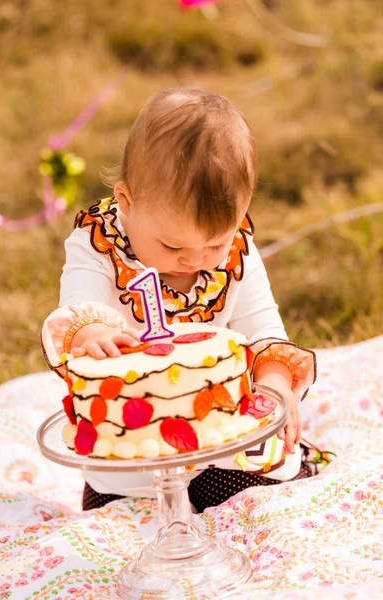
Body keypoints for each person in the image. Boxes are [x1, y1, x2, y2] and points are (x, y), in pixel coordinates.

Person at [42, 87, 320, 513]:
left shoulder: (236, 252)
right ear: (126, 202)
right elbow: (78, 307)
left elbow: (263, 329)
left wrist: (275, 383)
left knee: (270, 497)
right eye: (172, 247)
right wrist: (93, 333)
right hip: (130, 459)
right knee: (113, 518)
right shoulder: (97, 246)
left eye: (213, 245)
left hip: (223, 449)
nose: (194, 261)